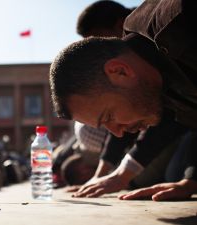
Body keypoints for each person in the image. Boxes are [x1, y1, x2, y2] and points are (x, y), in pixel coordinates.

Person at [49, 0, 197, 201]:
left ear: (120, 71)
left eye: (108, 116)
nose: (118, 133)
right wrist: (190, 182)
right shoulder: (147, 75)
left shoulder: (179, 23)